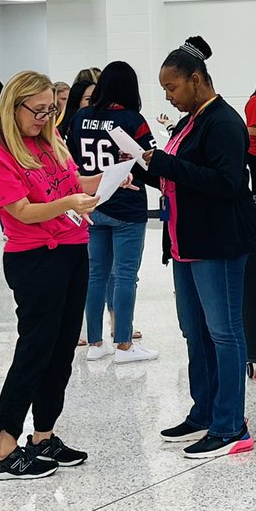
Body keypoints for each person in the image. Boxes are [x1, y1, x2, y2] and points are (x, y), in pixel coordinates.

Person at [0, 70, 125, 481]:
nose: (45, 117)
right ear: (13, 106)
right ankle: (4, 448)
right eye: (38, 110)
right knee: (35, 351)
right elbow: (21, 210)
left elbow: (74, 182)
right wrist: (69, 202)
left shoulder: (49, 140)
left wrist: (109, 180)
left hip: (73, 251)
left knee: (61, 351)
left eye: (51, 110)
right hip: (36, 259)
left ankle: (43, 437)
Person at [138, 37, 256, 459]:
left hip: (218, 243)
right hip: (186, 242)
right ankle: (204, 409)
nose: (168, 97)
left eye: (171, 88)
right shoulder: (190, 121)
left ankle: (230, 424)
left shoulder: (223, 121)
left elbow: (226, 183)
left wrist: (166, 164)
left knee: (224, 333)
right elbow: (181, 178)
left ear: (195, 79)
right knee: (195, 332)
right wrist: (146, 171)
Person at [66, 61, 158, 364]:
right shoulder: (133, 120)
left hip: (91, 206)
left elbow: (71, 162)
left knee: (96, 276)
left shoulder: (79, 118)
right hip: (126, 207)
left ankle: (95, 343)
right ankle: (124, 345)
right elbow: (149, 161)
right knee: (125, 277)